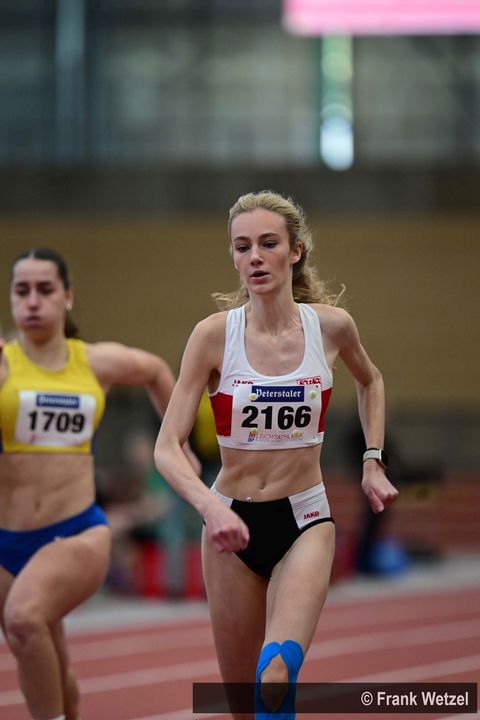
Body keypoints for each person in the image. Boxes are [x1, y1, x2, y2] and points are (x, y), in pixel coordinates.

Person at [154, 190, 399, 719]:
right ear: (233, 256)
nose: (255, 258)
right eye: (242, 247)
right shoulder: (213, 336)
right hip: (230, 525)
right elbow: (167, 447)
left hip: (305, 520)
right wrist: (209, 507)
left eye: (268, 244)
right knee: (243, 704)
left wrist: (372, 460)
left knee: (276, 677)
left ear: (296, 251)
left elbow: (371, 380)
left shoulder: (330, 327)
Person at [0, 247, 199, 720]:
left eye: (45, 290)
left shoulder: (94, 362)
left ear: (67, 296)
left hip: (75, 532)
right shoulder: (5, 365)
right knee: (48, 657)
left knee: (24, 619)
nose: (33, 301)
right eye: (21, 291)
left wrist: (179, 442)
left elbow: (155, 370)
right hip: (8, 538)